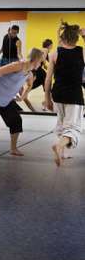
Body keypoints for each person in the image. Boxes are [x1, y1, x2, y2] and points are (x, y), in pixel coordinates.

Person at [44, 23, 85, 166]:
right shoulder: (82, 52)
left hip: (58, 93)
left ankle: (62, 154)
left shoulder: (55, 53)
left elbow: (48, 78)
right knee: (73, 128)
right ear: (76, 38)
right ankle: (59, 146)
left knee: (62, 124)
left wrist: (47, 98)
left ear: (63, 38)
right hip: (74, 95)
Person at [22, 39, 53, 112]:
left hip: (36, 71)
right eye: (51, 46)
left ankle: (42, 105)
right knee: (47, 89)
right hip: (39, 71)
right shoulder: (45, 49)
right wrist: (46, 65)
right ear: (50, 45)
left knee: (43, 87)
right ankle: (44, 105)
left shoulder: (41, 50)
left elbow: (46, 60)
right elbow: (44, 60)